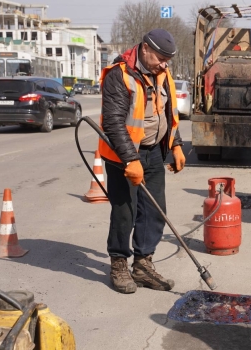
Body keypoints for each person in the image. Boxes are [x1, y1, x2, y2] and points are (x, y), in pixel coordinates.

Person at [99, 29, 186, 294]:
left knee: (154, 210)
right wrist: (131, 160)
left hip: (154, 152)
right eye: (160, 58)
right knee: (125, 212)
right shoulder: (119, 74)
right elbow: (113, 123)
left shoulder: (163, 73)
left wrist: (177, 144)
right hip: (122, 156)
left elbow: (167, 114)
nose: (164, 64)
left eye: (167, 60)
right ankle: (118, 264)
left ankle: (143, 264)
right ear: (145, 49)